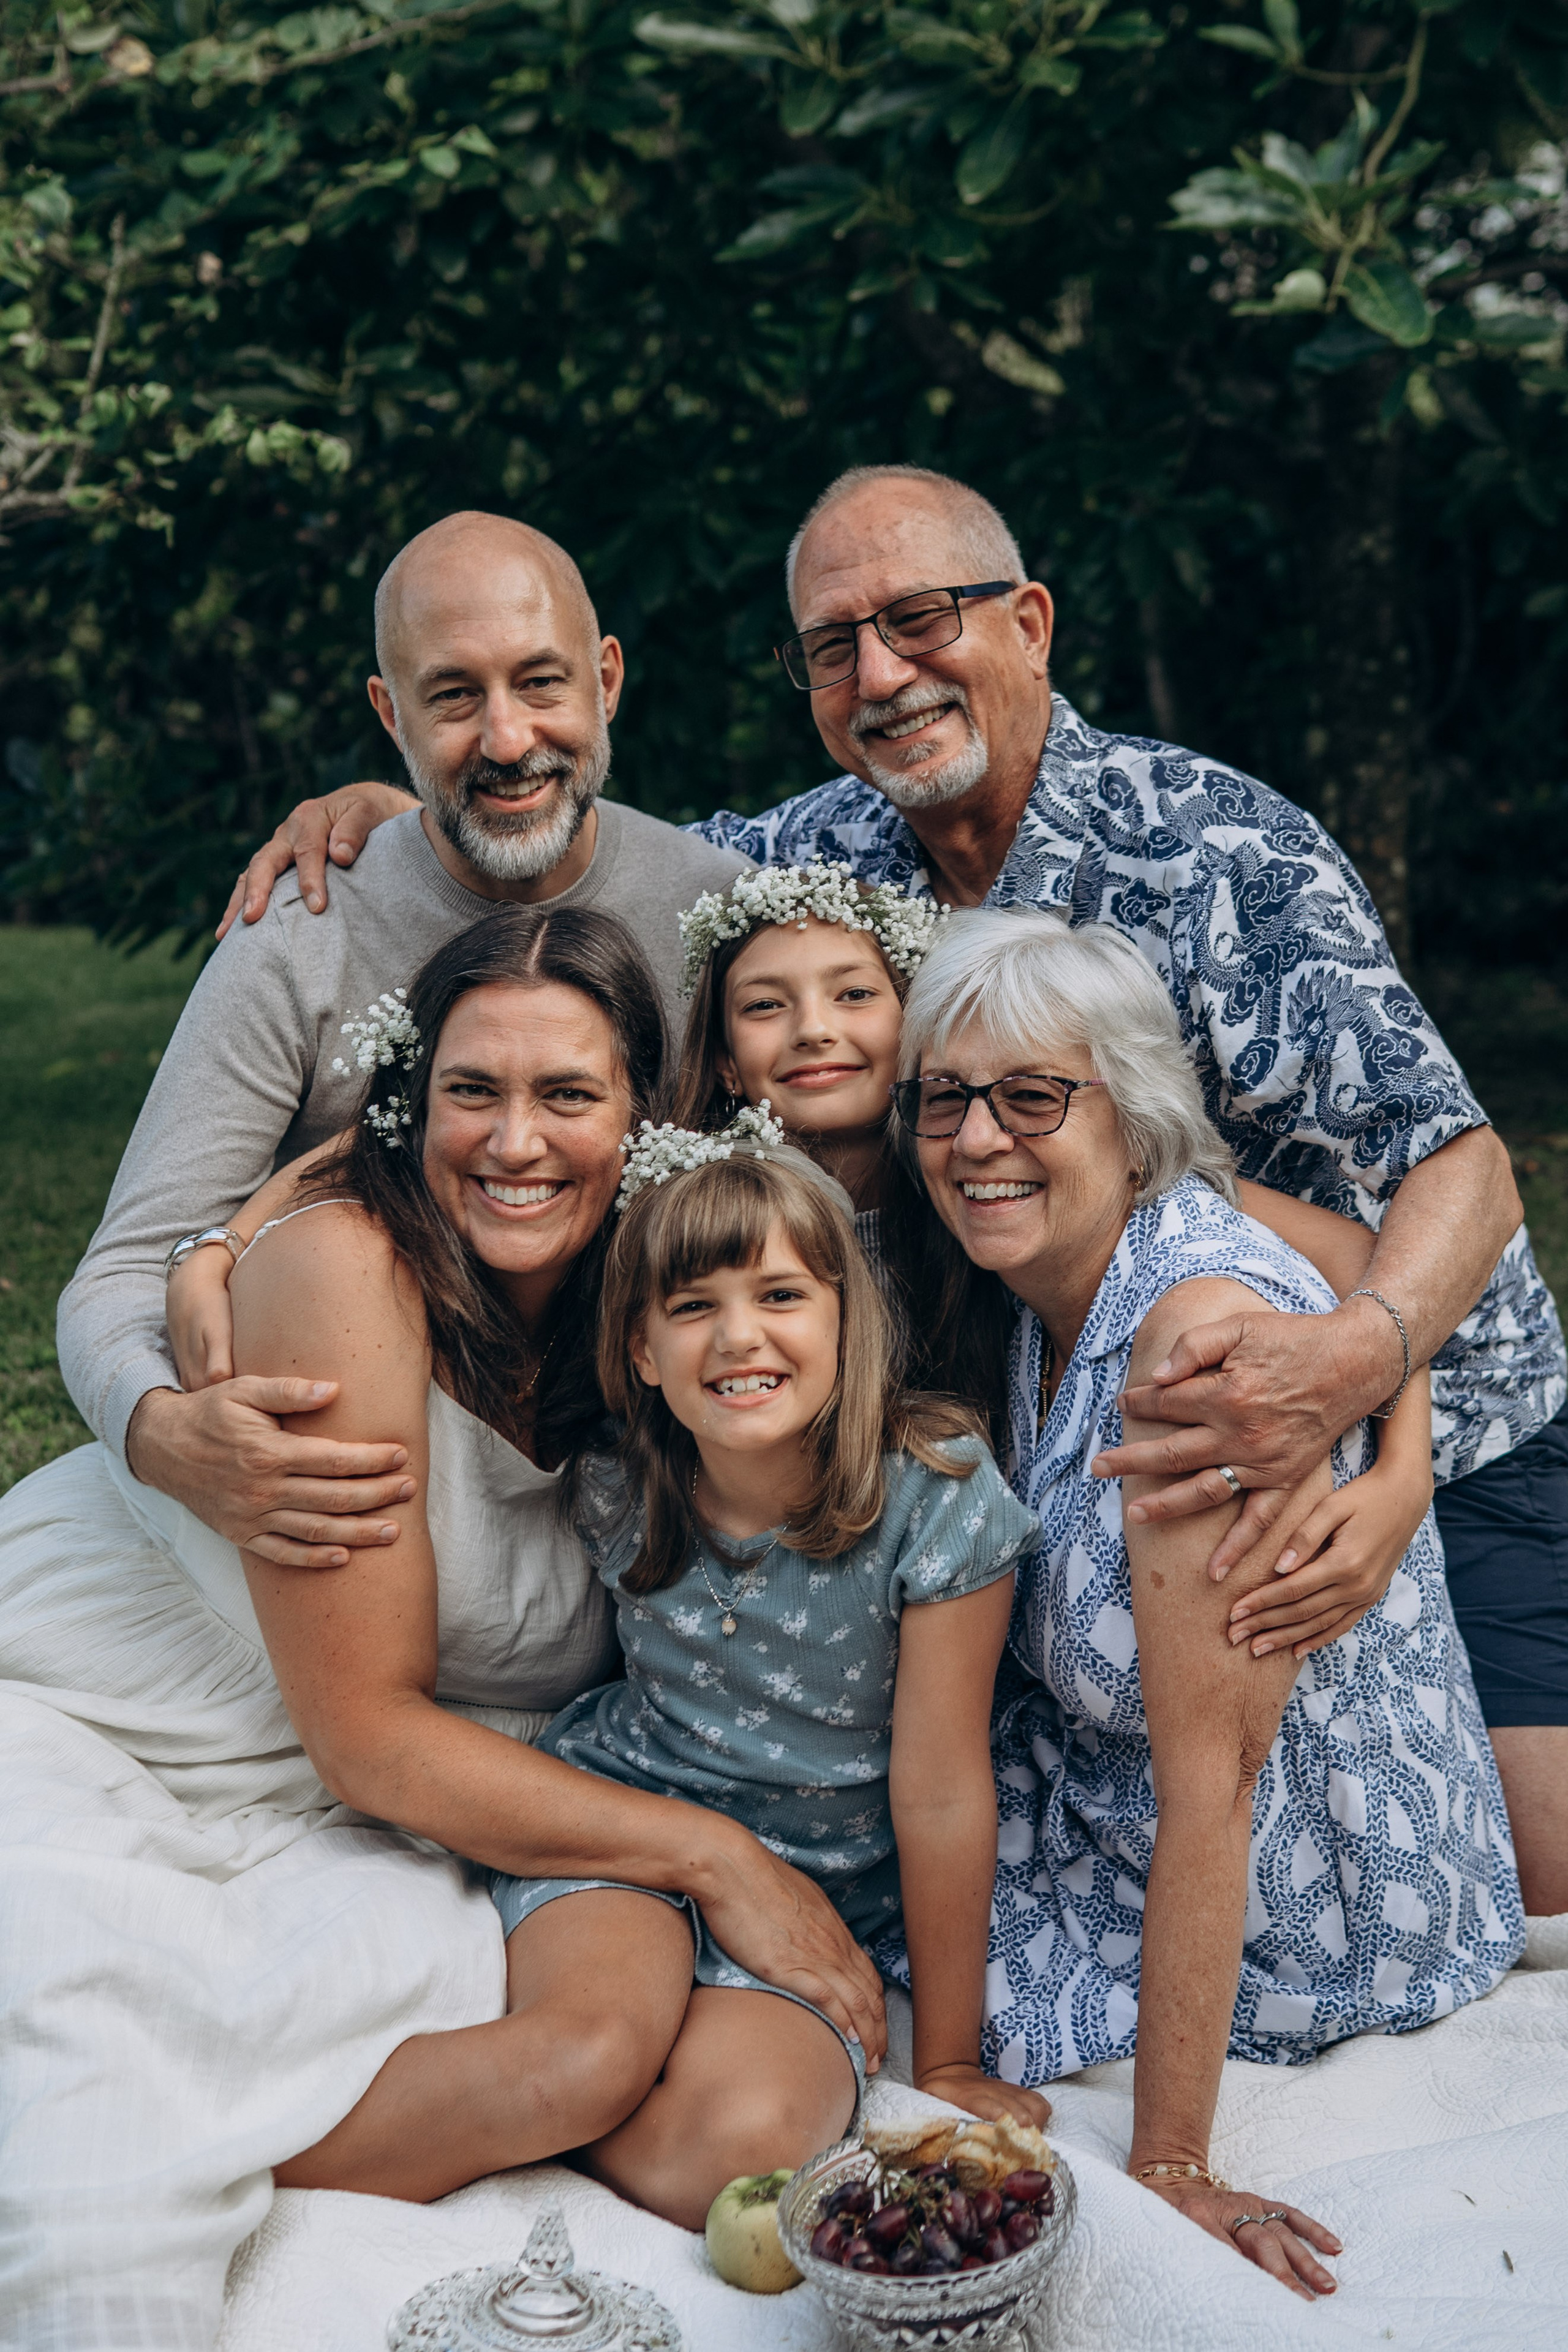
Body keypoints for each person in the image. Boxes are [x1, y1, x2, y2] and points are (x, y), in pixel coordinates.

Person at [249, 467, 1566, 1904]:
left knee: (1538, 1876)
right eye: (833, 645)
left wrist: (1384, 1427)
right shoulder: (811, 857)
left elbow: (1466, 1174)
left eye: (921, 619)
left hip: (1415, 1402)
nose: (881, 673)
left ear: (1030, 623)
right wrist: (402, 815)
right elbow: (564, 859)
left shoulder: (1218, 850)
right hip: (1082, 1442)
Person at [0, 910, 881, 2351]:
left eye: (569, 1097)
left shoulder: (659, 1283)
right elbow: (367, 1736)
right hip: (138, 1723)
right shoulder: (346, 1268)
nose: (516, 1141)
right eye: (472, 1091)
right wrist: (714, 1855)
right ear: (413, 1101)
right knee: (107, 2096)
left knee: (554, 2049)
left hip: (396, 1778)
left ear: (646, 1115)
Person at [892, 908, 1524, 2299]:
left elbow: (1216, 1784)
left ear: (1132, 1118)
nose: (977, 1137)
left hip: (1322, 1893)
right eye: (945, 1097)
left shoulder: (1193, 1354)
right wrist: (1399, 1463)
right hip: (1167, 1788)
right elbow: (1376, 1265)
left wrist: (1172, 2160)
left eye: (1030, 1096)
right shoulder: (1074, 1269)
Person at [279, 1131, 1045, 2225]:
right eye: (691, 1308)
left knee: (733, 2156)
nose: (740, 1336)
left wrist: (956, 2061)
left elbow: (939, 1789)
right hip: (623, 1834)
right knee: (584, 2058)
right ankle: (240, 2165)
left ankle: (528, 2130)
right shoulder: (622, 1486)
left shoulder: (937, 1498)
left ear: (845, 1316)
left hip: (816, 1891)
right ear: (640, 1348)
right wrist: (209, 1260)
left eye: (781, 1294)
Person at [53, 510, 748, 1578]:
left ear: (608, 680)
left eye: (543, 683)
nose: (508, 740)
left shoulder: (712, 915)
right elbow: (126, 1266)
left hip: (633, 1490)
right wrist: (161, 1434)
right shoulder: (303, 927)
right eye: (455, 697)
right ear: (391, 714)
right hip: (350, 1507)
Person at [671, 861, 1441, 1665]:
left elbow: (1366, 1265)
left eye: (855, 995)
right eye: (765, 1007)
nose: (814, 1029)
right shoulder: (714, 1216)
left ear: (911, 1026)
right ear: (726, 1059)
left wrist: (1406, 1474)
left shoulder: (989, 1173)